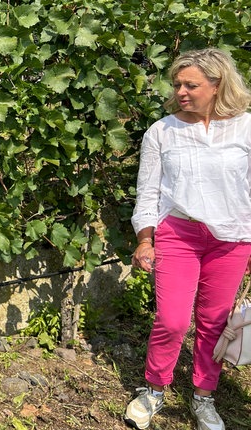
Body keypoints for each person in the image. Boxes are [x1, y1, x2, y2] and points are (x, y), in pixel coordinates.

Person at [126, 47, 251, 430]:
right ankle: (155, 390)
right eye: (177, 83)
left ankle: (203, 397)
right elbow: (148, 191)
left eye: (191, 84)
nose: (181, 91)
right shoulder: (162, 131)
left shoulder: (246, 127)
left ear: (217, 85)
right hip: (179, 234)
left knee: (214, 321)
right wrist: (145, 240)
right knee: (172, 319)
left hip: (232, 237)